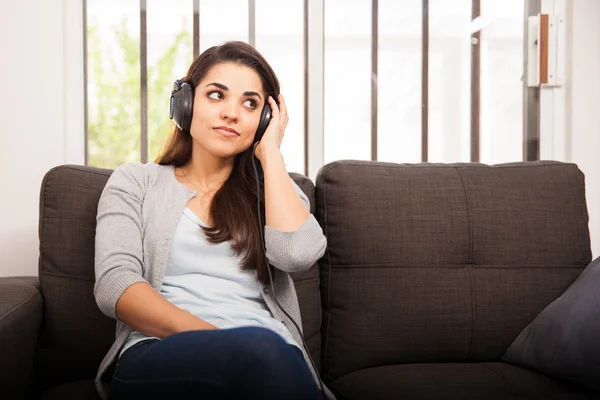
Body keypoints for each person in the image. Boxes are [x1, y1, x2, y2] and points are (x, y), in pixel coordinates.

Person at [93, 41, 336, 400]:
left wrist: (270, 154)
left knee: (266, 354)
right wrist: (216, 338)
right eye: (216, 95)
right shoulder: (136, 182)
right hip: (162, 350)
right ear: (185, 104)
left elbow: (296, 254)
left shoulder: (276, 190)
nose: (232, 113)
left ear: (265, 120)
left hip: (272, 355)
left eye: (250, 104)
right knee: (261, 352)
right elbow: (116, 284)